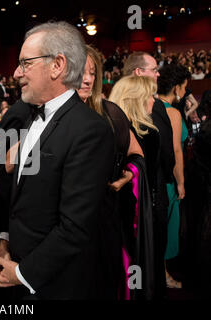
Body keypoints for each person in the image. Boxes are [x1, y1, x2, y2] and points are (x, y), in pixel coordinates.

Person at [0, 21, 114, 299]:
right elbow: (20, 198)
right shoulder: (31, 116)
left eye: (25, 63)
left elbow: (75, 227)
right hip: (19, 272)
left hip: (57, 283)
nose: (16, 72)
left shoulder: (90, 130)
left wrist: (22, 273)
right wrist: (6, 240)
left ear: (57, 65)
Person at [77, 45, 144, 299]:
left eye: (92, 72)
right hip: (67, 222)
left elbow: (137, 154)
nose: (87, 78)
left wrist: (126, 176)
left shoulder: (110, 112)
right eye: (81, 71)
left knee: (104, 283)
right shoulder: (54, 116)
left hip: (105, 216)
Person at [123, 51, 175, 298]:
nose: (157, 74)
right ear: (138, 73)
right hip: (151, 201)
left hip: (127, 205)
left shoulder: (114, 112)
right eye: (153, 69)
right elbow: (168, 156)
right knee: (151, 258)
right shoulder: (155, 109)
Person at [109, 75, 159, 299]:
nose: (154, 101)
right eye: (150, 95)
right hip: (128, 205)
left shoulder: (139, 129)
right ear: (136, 99)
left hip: (133, 201)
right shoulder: (138, 132)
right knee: (133, 256)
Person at [157, 64, 191, 289]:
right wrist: (181, 182)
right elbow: (176, 151)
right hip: (168, 181)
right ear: (177, 87)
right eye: (185, 88)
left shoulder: (151, 106)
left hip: (153, 178)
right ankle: (164, 276)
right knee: (166, 231)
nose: (185, 93)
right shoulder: (172, 112)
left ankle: (158, 274)